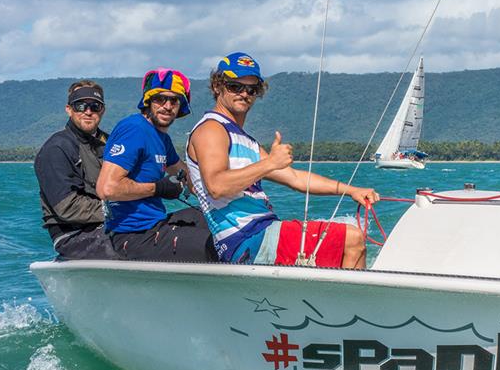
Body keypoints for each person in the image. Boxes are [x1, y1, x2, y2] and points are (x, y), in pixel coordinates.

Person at [186, 52, 379, 269]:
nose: (244, 93)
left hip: (263, 230)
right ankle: (346, 304)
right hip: (244, 239)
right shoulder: (211, 129)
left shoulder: (245, 140)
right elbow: (217, 186)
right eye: (235, 86)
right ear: (217, 86)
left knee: (348, 237)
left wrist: (351, 190)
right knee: (351, 239)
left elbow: (295, 178)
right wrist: (269, 163)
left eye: (251, 89)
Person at [96, 68, 217, 262]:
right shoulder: (134, 129)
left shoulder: (162, 138)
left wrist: (225, 197)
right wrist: (158, 188)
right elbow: (107, 188)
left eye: (174, 100)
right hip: (132, 235)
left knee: (218, 222)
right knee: (216, 245)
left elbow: (187, 176)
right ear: (148, 101)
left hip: (156, 223)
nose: (167, 106)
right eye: (160, 99)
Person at [34, 80, 117, 259]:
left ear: (102, 110)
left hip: (112, 224)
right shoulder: (56, 148)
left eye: (94, 106)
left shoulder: (113, 144)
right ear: (69, 109)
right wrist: (119, 210)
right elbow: (68, 207)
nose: (88, 111)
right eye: (80, 105)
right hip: (73, 235)